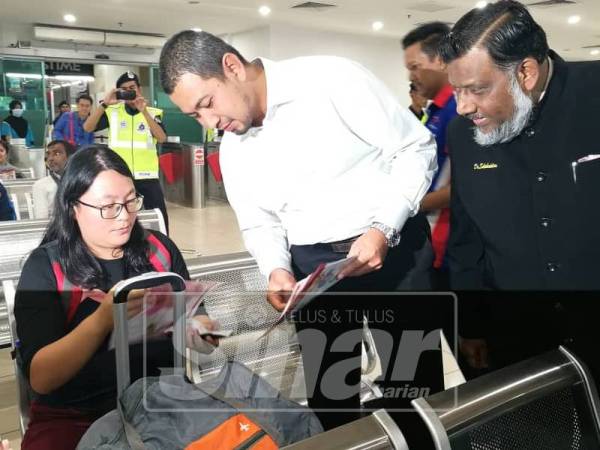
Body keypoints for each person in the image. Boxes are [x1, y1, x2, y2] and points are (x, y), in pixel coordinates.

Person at [159, 31, 442, 432]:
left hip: (393, 251)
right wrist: (276, 268)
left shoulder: (332, 80)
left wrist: (384, 228)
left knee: (412, 387)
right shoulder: (236, 147)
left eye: (207, 104)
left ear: (232, 67)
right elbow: (259, 220)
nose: (210, 122)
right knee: (332, 392)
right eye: (195, 116)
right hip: (313, 269)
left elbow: (415, 148)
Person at [15, 145, 217, 450]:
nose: (124, 217)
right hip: (76, 415)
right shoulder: (47, 268)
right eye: (108, 207)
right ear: (73, 207)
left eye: (130, 201)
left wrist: (200, 332)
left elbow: (199, 319)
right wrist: (102, 320)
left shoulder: (159, 251)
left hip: (160, 402)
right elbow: (42, 378)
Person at [439, 0, 600, 380]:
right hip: (521, 336)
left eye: (476, 89)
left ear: (526, 71)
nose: (462, 107)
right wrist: (471, 324)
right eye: (456, 90)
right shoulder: (463, 134)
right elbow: (466, 238)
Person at [403, 22, 458, 288]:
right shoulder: (436, 111)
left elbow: (466, 185)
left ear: (440, 61)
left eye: (415, 67)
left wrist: (409, 205)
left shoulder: (458, 110)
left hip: (451, 245)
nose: (410, 77)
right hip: (431, 244)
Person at [84, 72, 170, 232]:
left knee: (159, 217)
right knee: (120, 217)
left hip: (147, 177)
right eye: (124, 89)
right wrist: (104, 104)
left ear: (139, 89)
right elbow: (88, 127)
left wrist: (143, 111)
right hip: (120, 176)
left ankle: (163, 248)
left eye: (132, 88)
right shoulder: (113, 112)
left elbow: (162, 137)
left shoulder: (152, 113)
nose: (129, 91)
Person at [32, 140, 75, 219]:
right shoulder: (41, 185)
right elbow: (41, 220)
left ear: (70, 157)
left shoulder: (80, 181)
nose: (50, 158)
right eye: (48, 154)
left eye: (57, 153)